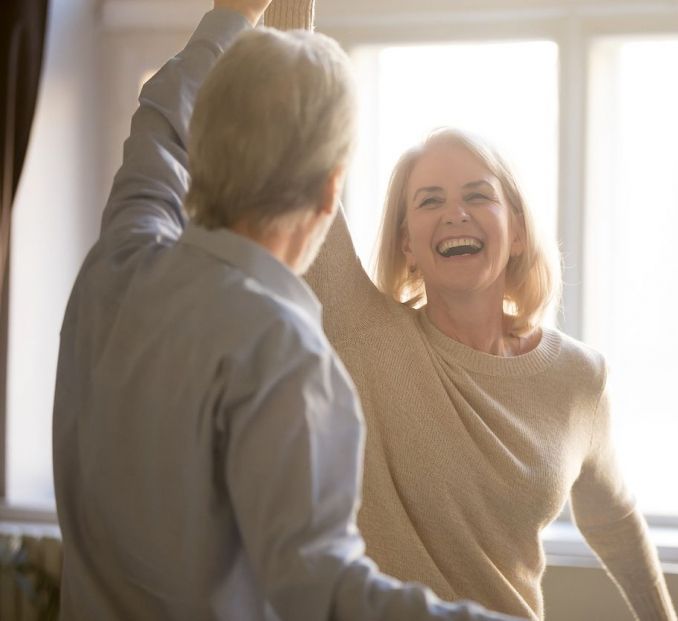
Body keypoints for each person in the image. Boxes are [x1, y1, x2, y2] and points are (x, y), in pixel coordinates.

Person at [51, 2, 525, 620]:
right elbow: (322, 594)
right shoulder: (283, 354)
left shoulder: (116, 261)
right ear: (332, 190)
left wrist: (232, 14)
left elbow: (160, 124)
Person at [297, 125, 678, 621]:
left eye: (477, 195)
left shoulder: (580, 377)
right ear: (407, 242)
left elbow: (615, 519)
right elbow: (293, 146)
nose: (455, 213)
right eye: (429, 201)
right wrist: (295, 44)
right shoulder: (364, 334)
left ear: (518, 231)